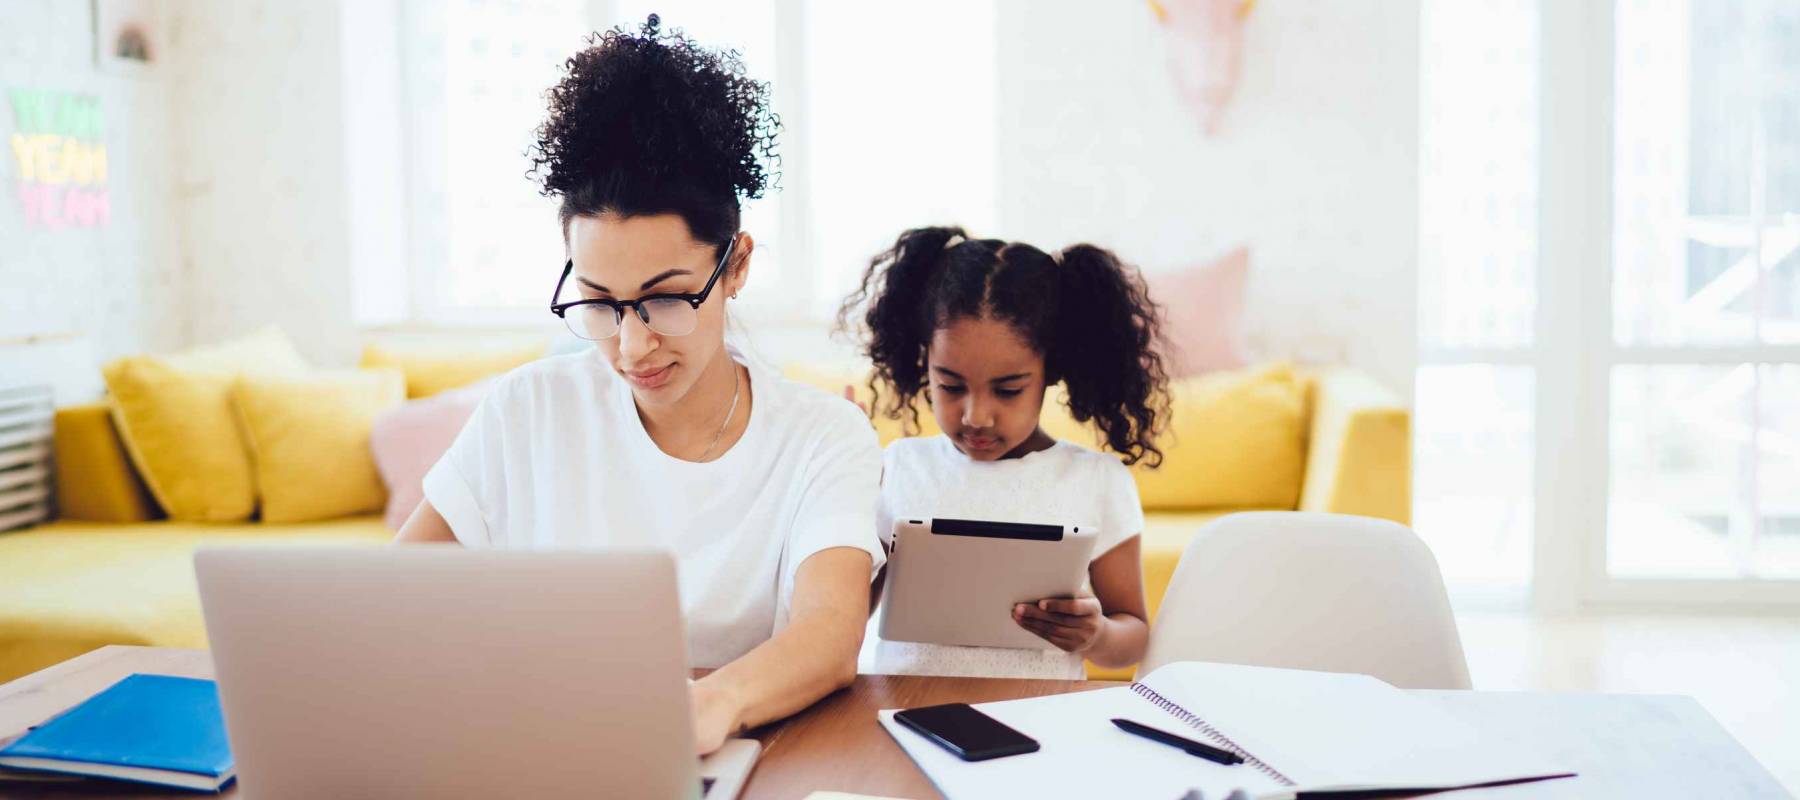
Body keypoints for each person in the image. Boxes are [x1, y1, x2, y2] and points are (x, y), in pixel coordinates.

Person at [396, 17, 884, 754]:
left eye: (664, 298)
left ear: (737, 265)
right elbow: (386, 599)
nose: (632, 345)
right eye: (598, 300)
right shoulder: (527, 409)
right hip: (528, 746)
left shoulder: (821, 437)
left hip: (717, 756)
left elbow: (830, 634)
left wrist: (706, 707)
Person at [840, 225, 1170, 679]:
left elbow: (1132, 636)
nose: (976, 416)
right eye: (951, 386)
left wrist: (1096, 636)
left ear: (1050, 371)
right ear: (924, 364)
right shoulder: (900, 467)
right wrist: (844, 481)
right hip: (902, 716)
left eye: (1008, 389)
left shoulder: (1096, 481)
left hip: (1039, 723)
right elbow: (845, 615)